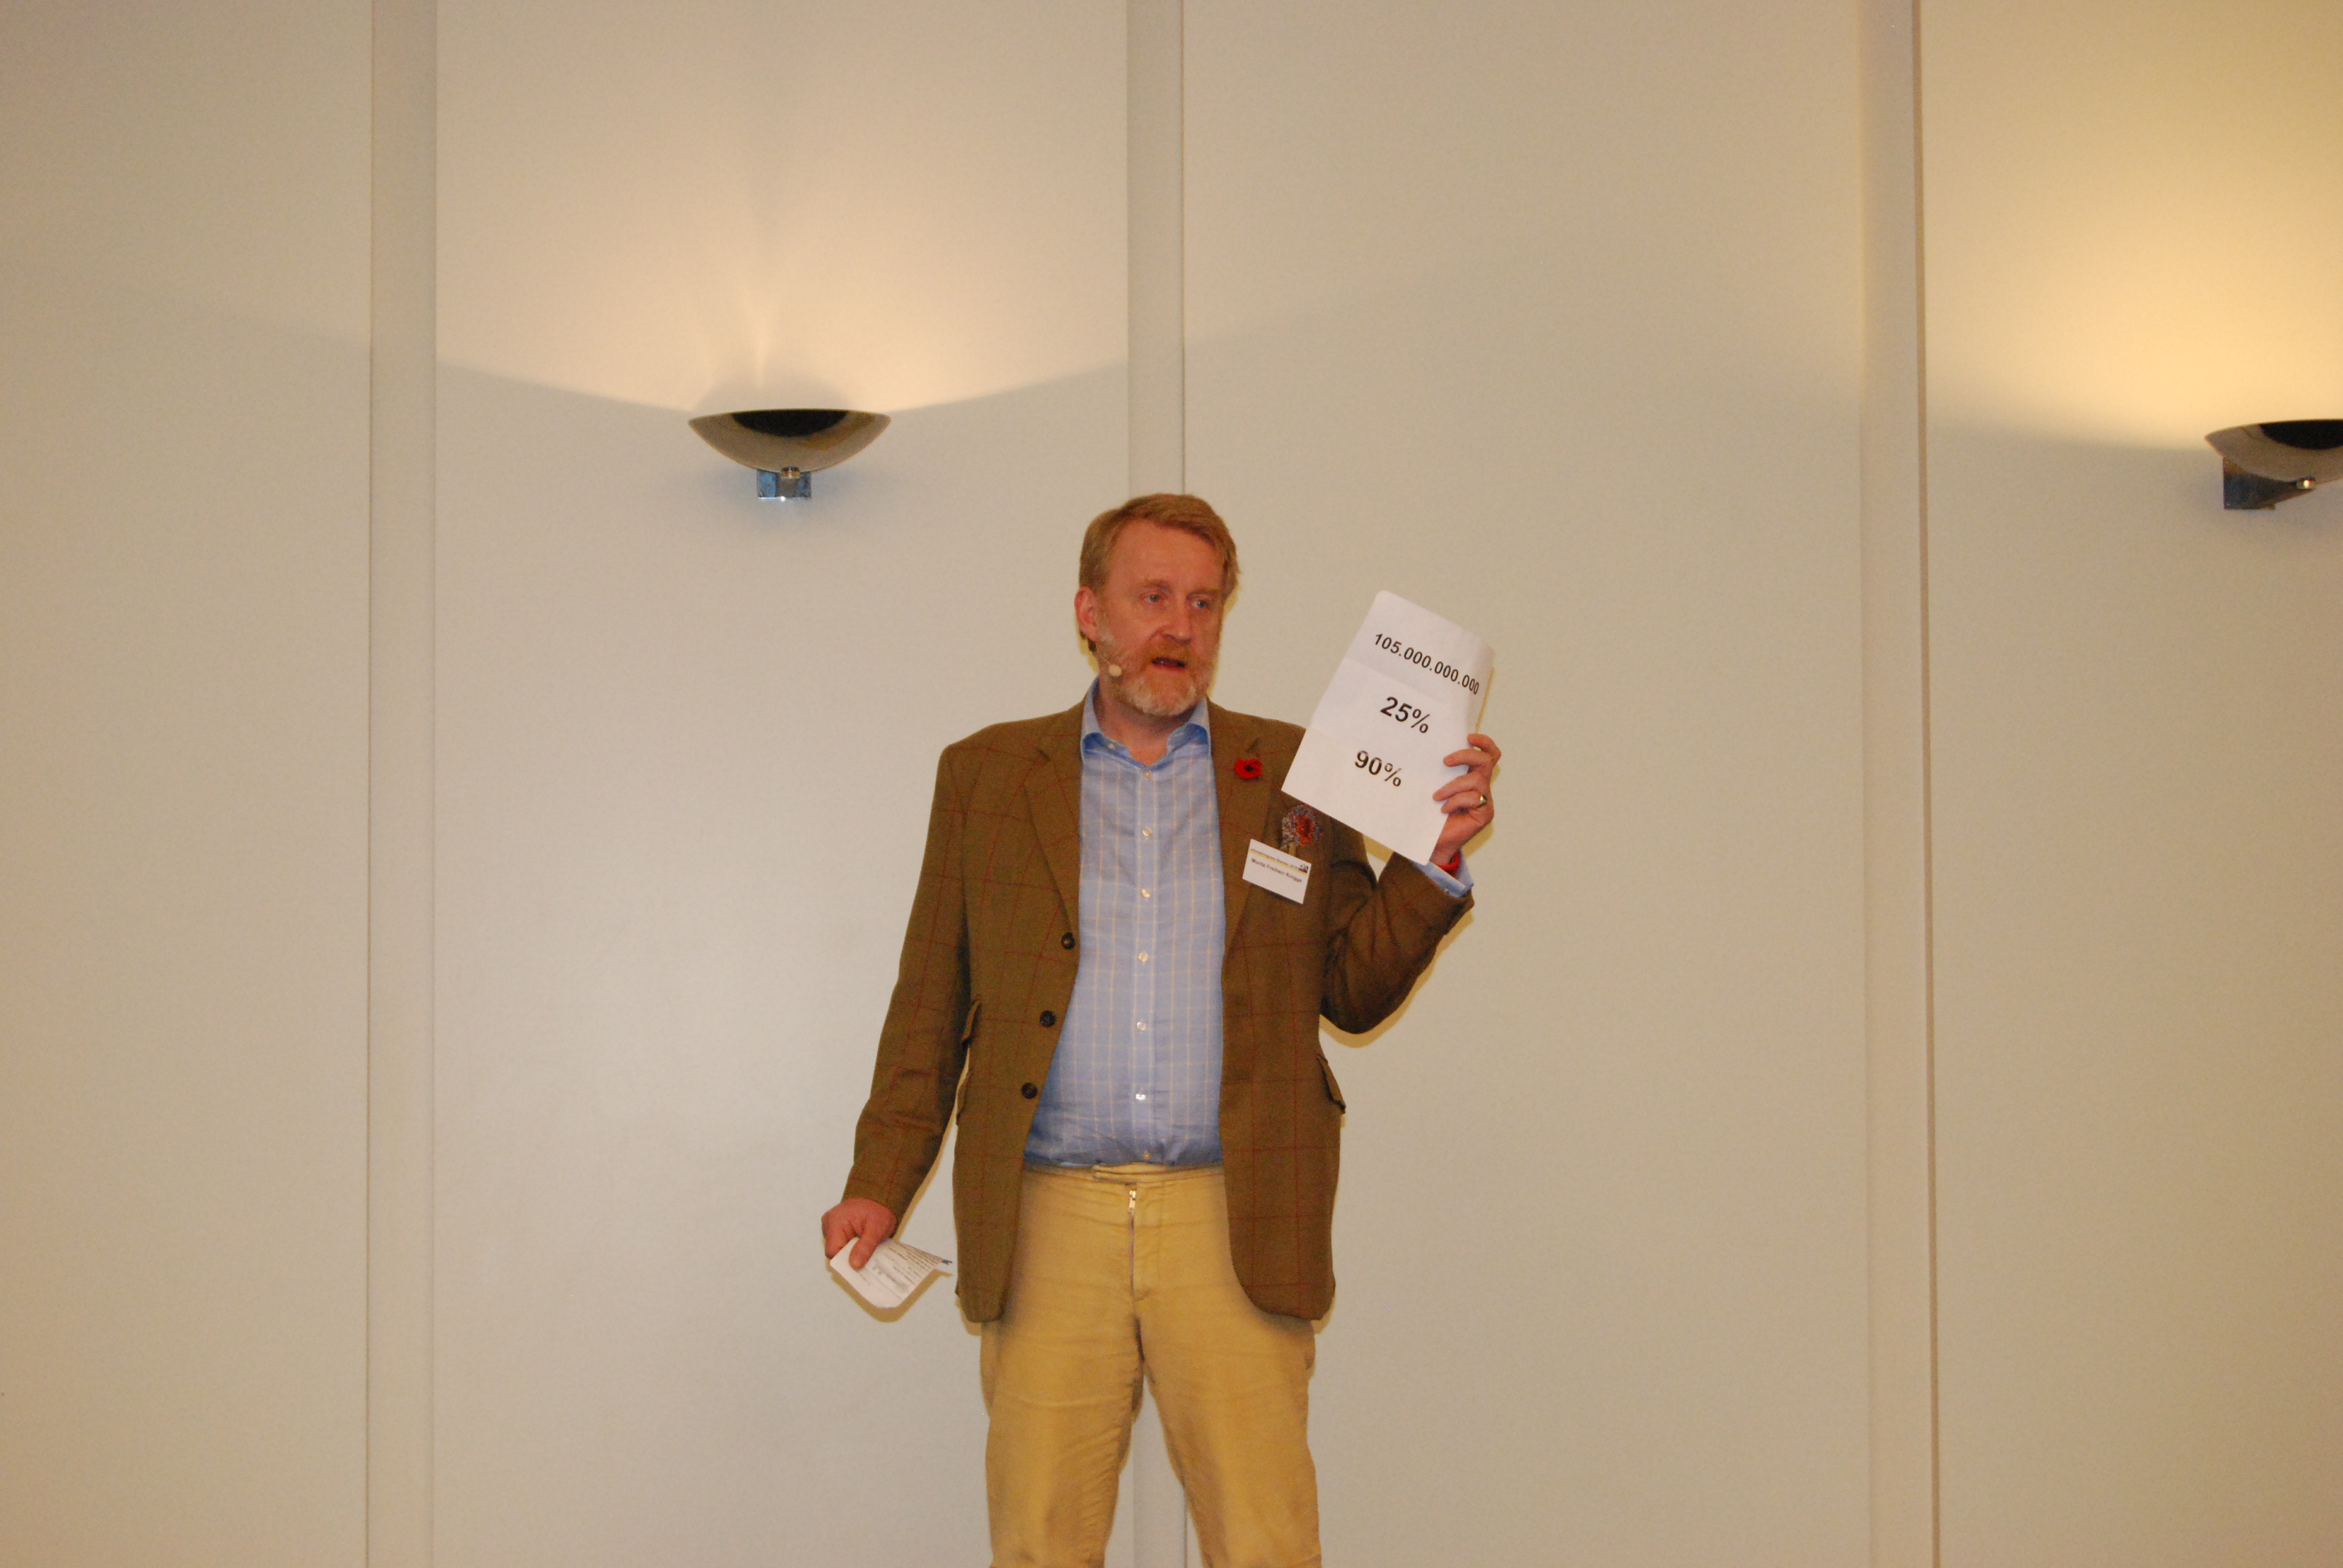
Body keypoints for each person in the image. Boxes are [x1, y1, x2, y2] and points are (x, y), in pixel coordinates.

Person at [821, 494, 1498, 1568]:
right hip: (1048, 1215)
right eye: (1153, 598)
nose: (1180, 627)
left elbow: (1351, 992)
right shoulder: (988, 775)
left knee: (1266, 1542)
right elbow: (930, 1001)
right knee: (1040, 1542)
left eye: (1205, 603)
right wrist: (878, 1180)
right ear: (1090, 613)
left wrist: (1434, 860)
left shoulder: (1298, 779)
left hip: (1235, 1215)